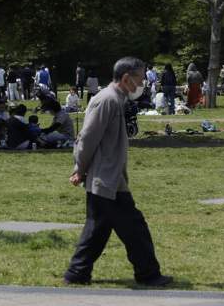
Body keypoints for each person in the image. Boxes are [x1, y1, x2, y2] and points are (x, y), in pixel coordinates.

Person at [64, 57, 172, 287]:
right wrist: (79, 169)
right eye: (139, 79)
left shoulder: (115, 99)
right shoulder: (107, 100)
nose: (142, 84)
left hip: (108, 177)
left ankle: (77, 273)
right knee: (135, 228)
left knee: (97, 228)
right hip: (107, 178)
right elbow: (87, 138)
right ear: (125, 78)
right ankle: (148, 274)